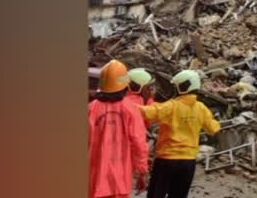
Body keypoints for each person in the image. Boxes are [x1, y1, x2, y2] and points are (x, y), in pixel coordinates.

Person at [138, 70, 221, 198]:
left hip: (166, 159)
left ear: (182, 87)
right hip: (188, 162)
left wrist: (126, 104)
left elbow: (148, 112)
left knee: (156, 194)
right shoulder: (201, 108)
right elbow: (213, 128)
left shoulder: (172, 106)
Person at [88, 59, 150, 198]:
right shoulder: (131, 109)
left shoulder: (91, 108)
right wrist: (142, 170)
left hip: (95, 176)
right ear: (125, 84)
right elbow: (139, 143)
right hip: (120, 177)